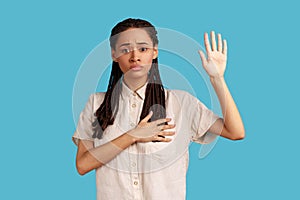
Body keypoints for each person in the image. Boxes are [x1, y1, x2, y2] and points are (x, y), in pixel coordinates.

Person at [72, 18, 245, 200]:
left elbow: (235, 132)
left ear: (154, 51)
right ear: (114, 54)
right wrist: (133, 136)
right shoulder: (96, 104)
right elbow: (82, 165)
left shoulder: (181, 102)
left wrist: (217, 79)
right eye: (125, 50)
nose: (135, 56)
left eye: (143, 48)